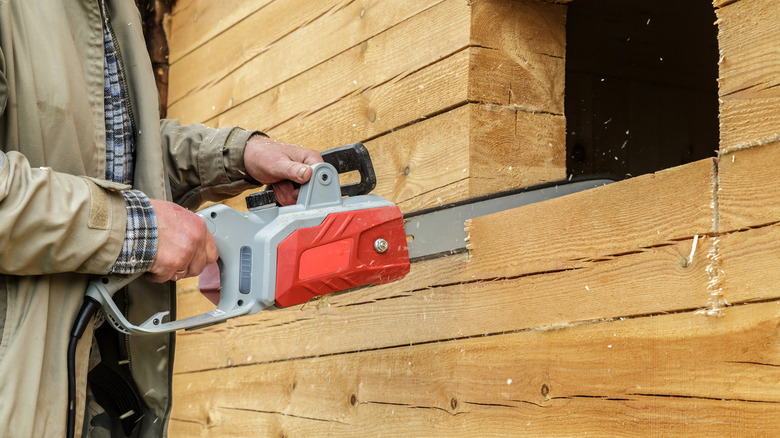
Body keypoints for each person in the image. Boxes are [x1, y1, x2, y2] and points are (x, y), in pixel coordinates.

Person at [0, 0, 322, 436]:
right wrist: (135, 229)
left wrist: (237, 155)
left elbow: (117, 152)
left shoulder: (111, 9)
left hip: (103, 391)